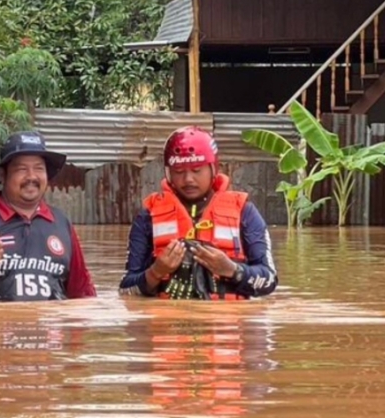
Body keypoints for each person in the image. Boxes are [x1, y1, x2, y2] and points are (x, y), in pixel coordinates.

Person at [119, 126, 278, 300]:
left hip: (229, 324)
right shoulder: (147, 216)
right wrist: (156, 272)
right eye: (179, 171)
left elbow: (269, 281)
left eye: (196, 170)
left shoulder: (244, 212)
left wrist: (232, 270)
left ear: (213, 169)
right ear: (168, 173)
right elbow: (126, 289)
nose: (188, 179)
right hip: (168, 323)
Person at [0, 131, 96, 301]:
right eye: (21, 169)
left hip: (50, 324)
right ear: (2, 175)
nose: (32, 176)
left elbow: (82, 291)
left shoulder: (62, 222)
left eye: (39, 168)